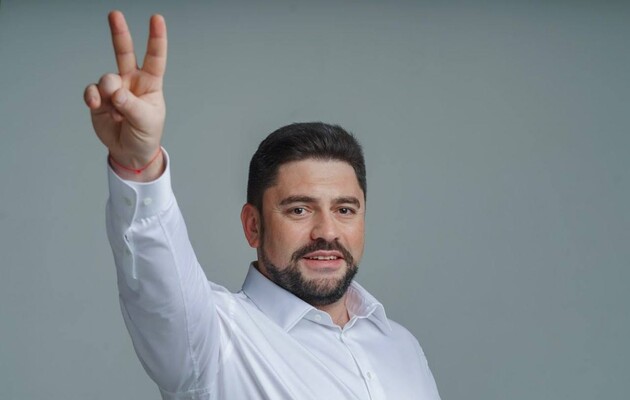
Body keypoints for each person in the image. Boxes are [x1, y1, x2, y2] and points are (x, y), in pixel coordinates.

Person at [84, 11, 440, 400]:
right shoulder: (214, 342)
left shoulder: (402, 347)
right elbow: (159, 287)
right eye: (299, 210)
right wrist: (140, 167)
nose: (327, 231)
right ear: (253, 225)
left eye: (344, 210)